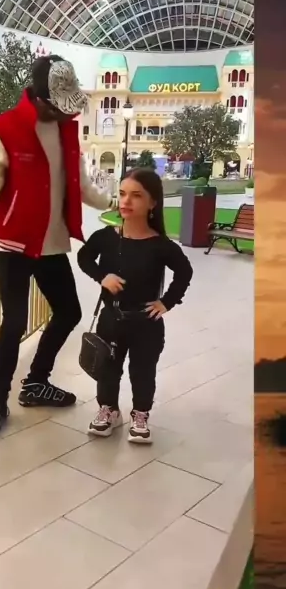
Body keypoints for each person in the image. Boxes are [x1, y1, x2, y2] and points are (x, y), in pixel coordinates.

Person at [0, 55, 114, 436]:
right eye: (58, 106)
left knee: (69, 311)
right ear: (39, 98)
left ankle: (35, 383)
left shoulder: (67, 132)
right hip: (13, 243)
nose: (65, 114)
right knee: (13, 322)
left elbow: (81, 185)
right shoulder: (3, 129)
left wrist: (116, 203)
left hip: (51, 243)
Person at [77, 168, 193, 443]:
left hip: (146, 323)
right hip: (111, 319)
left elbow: (184, 271)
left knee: (142, 371)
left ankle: (140, 414)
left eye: (136, 195)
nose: (126, 201)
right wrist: (102, 277)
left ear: (153, 203)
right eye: (122, 194)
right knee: (108, 370)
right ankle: (109, 410)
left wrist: (166, 302)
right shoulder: (106, 237)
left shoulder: (160, 245)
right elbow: (84, 258)